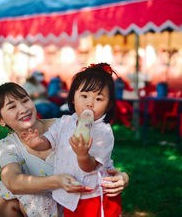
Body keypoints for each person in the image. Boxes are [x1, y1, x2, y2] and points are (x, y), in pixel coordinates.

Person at [0, 82, 129, 217]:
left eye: (25, 100)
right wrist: (56, 181)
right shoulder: (9, 144)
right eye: (12, 106)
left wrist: (122, 177)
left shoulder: (64, 126)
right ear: (1, 120)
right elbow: (12, 181)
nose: (23, 109)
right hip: (41, 203)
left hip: (80, 198)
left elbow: (98, 159)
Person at [21, 63, 125, 217]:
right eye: (84, 96)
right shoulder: (65, 122)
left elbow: (90, 167)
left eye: (98, 98)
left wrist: (83, 154)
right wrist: (36, 142)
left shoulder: (103, 132)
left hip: (93, 196)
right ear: (73, 98)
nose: (90, 103)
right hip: (70, 193)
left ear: (108, 105)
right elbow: (49, 141)